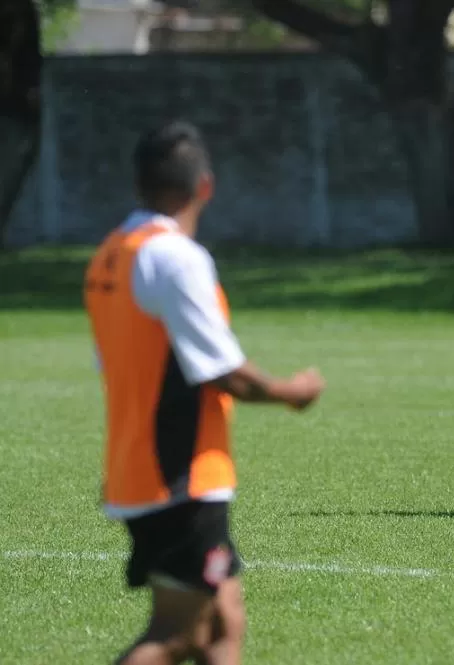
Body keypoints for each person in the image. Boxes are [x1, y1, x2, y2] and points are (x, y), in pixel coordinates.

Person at [83, 120, 325, 665]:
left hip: (141, 465)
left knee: (223, 625)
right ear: (205, 186)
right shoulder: (175, 258)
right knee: (176, 635)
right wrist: (293, 391)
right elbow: (224, 372)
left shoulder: (110, 255)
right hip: (178, 472)